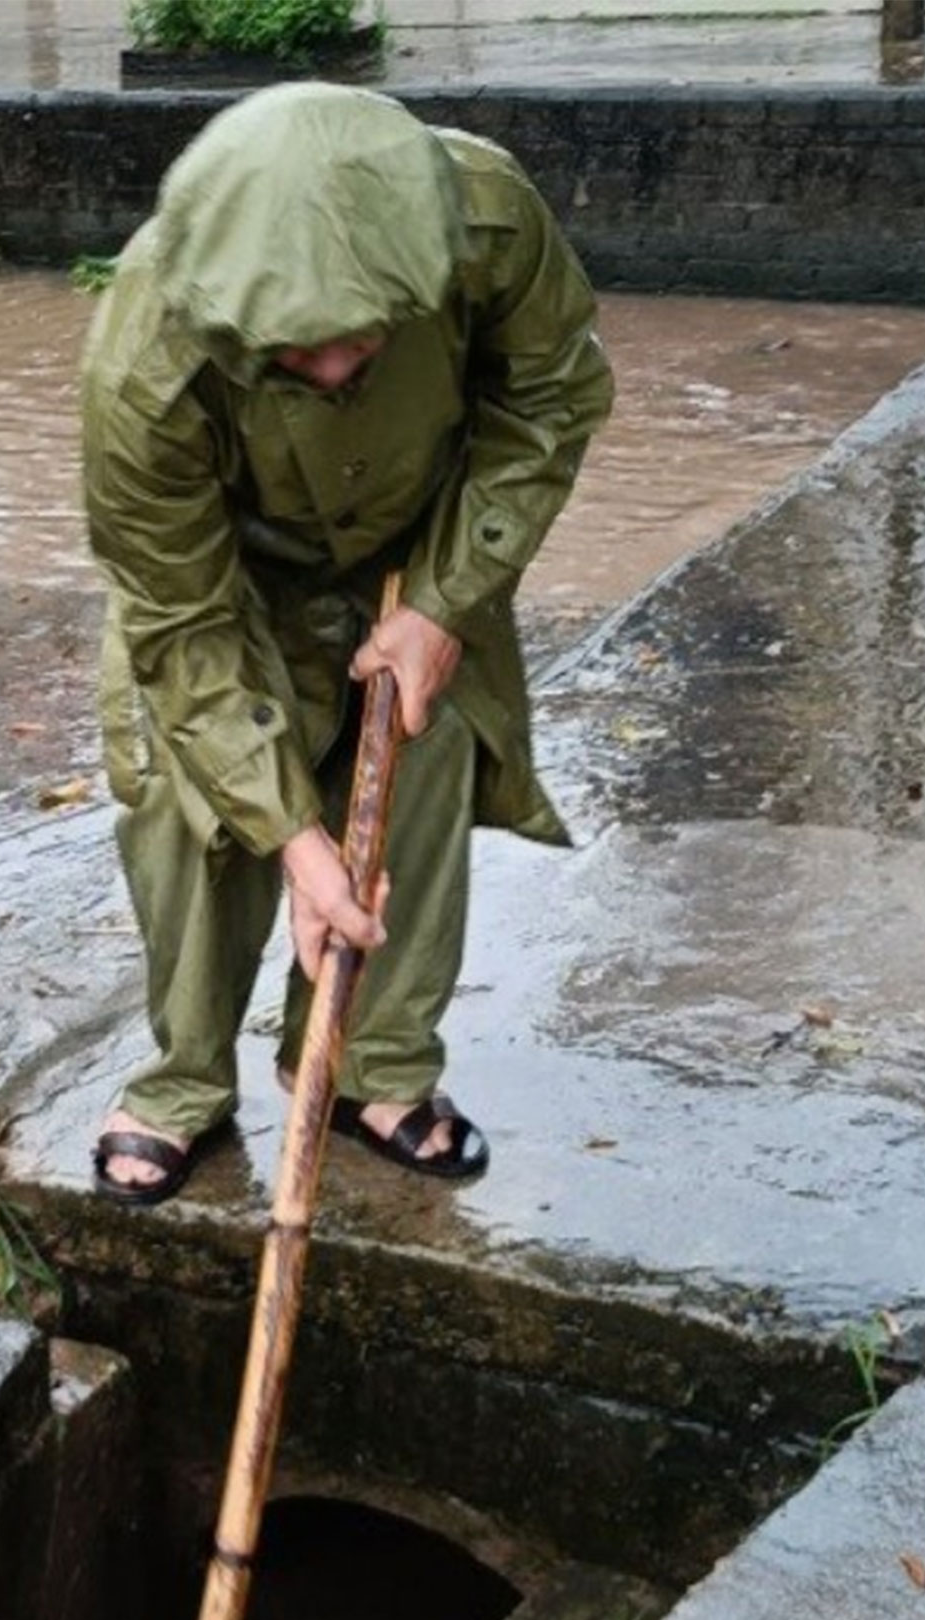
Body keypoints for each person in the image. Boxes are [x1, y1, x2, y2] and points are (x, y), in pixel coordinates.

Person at [80, 81, 613, 1205]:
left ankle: (371, 1065)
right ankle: (185, 1077)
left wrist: (445, 599)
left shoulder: (485, 220)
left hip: (415, 543)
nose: (329, 372)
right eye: (293, 354)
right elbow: (181, 621)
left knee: (425, 753)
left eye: (359, 342)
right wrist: (296, 840)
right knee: (192, 805)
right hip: (225, 577)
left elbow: (551, 396)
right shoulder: (144, 362)